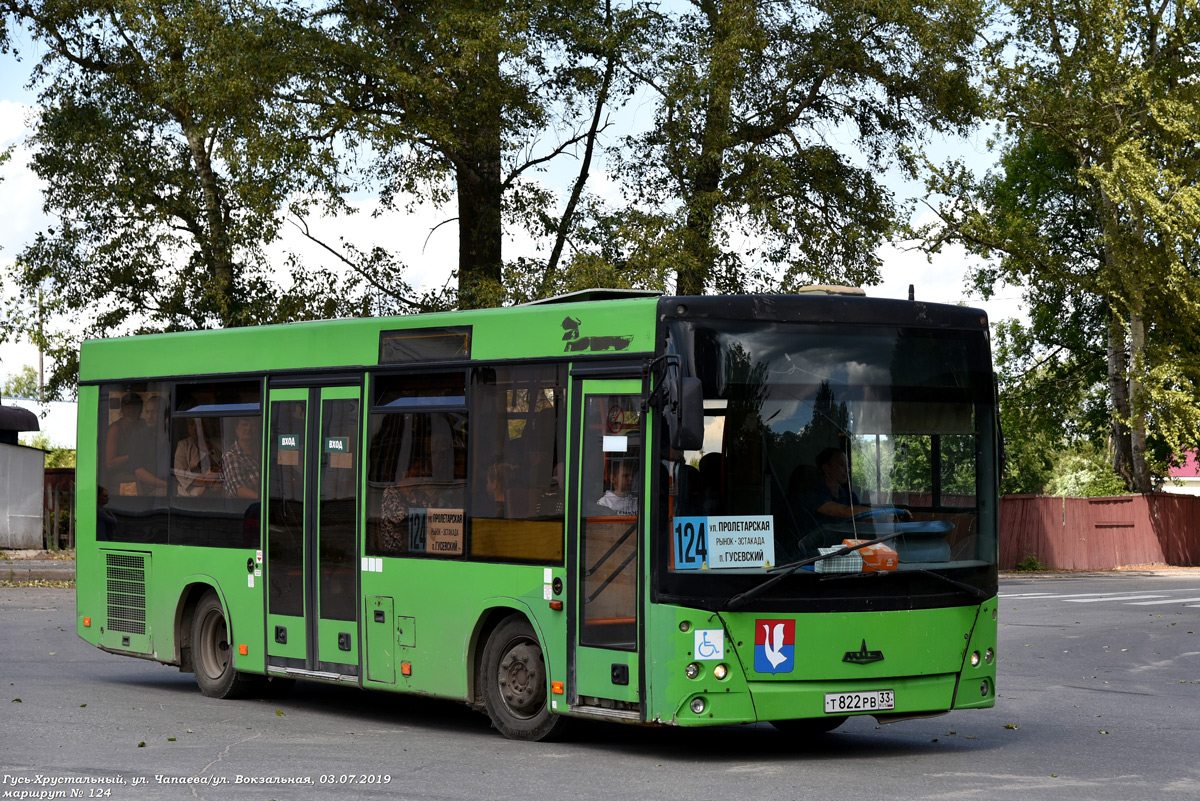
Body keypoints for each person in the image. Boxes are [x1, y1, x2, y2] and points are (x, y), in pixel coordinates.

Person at [104, 393, 142, 495]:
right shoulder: (115, 430)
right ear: (122, 409)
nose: (131, 411)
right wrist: (132, 456)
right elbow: (109, 464)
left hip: (144, 478)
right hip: (121, 482)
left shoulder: (144, 426)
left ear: (140, 410)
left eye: (135, 407)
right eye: (127, 407)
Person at [174, 418, 220, 497]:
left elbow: (224, 467)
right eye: (191, 424)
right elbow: (181, 475)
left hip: (215, 496)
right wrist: (210, 482)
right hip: (187, 498)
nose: (194, 428)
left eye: (198, 424)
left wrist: (207, 448)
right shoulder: (183, 445)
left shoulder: (218, 444)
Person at [221, 418, 261, 499]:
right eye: (244, 424)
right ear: (236, 428)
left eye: (253, 425)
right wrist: (266, 500)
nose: (249, 428)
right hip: (249, 507)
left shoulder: (264, 450)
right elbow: (239, 489)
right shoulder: (231, 455)